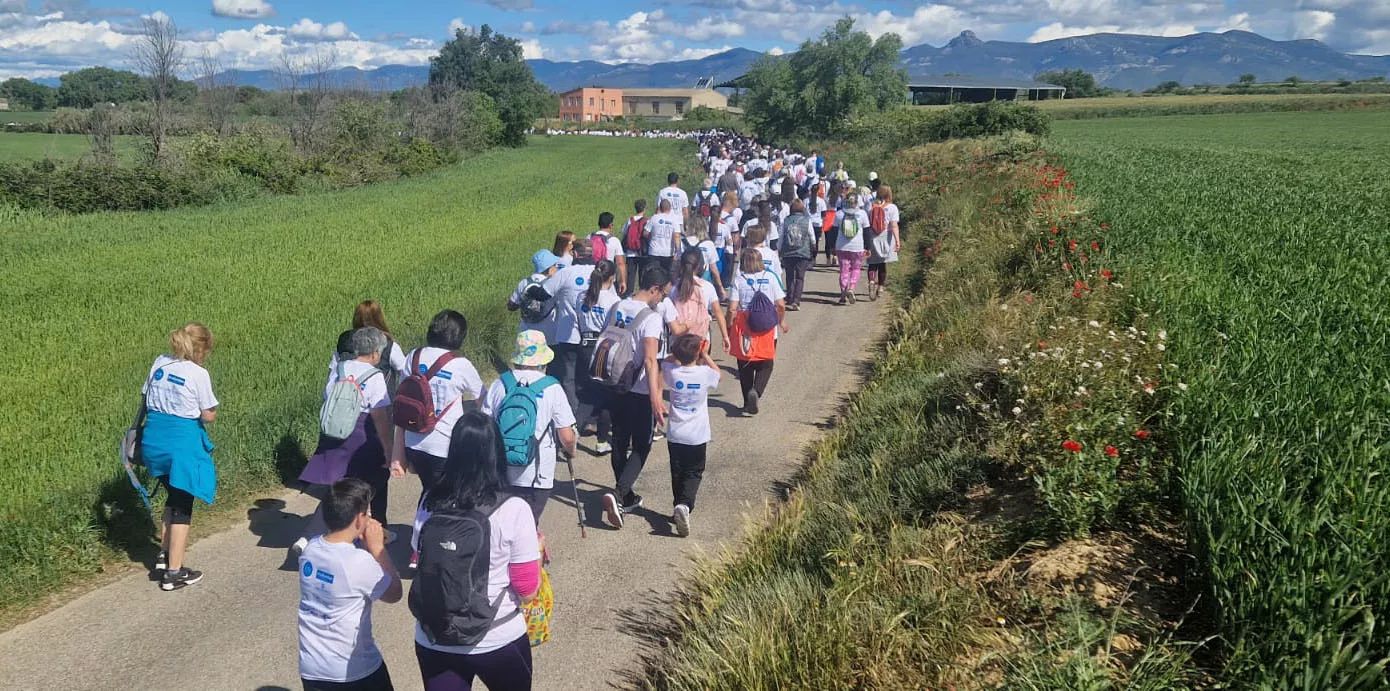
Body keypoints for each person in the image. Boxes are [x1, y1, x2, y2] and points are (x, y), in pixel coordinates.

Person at [411, 412, 541, 691]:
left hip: (434, 635)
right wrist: (537, 551)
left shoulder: (429, 500)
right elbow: (527, 588)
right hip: (496, 637)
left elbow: (418, 555)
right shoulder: (514, 508)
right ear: (497, 453)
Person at [392, 310, 486, 564]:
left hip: (414, 441)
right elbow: (482, 398)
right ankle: (423, 547)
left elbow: (403, 398)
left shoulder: (413, 357)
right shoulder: (459, 364)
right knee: (442, 496)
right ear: (459, 337)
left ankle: (428, 544)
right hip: (445, 446)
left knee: (432, 491)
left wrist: (398, 452)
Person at [601, 267, 688, 529]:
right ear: (654, 289)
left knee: (618, 441)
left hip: (613, 384)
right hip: (638, 390)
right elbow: (651, 361)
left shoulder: (617, 306)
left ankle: (625, 495)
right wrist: (655, 397)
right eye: (662, 293)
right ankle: (618, 494)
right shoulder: (650, 318)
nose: (662, 299)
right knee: (642, 445)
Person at [298, 478, 402, 691]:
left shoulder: (310, 550)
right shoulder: (358, 562)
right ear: (358, 520)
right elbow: (394, 593)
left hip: (312, 666)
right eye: (368, 513)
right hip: (353, 670)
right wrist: (377, 549)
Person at [297, 328, 395, 552]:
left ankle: (311, 536)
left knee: (339, 487)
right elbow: (380, 417)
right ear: (373, 353)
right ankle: (362, 533)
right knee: (368, 482)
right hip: (361, 436)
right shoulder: (374, 375)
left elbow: (327, 398)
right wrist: (389, 449)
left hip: (333, 433)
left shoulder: (339, 369)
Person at [138, 322, 218, 590]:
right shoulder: (198, 373)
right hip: (180, 445)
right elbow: (208, 414)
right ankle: (174, 572)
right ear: (202, 347)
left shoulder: (159, 363)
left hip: (153, 443)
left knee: (173, 495)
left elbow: (145, 398)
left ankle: (163, 554)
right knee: (183, 504)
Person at [481, 330, 577, 522]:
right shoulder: (552, 387)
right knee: (527, 529)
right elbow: (566, 436)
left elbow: (484, 426)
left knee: (501, 524)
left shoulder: (500, 383)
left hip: (501, 471)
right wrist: (571, 451)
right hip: (537, 474)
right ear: (543, 360)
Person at [660, 333, 720, 537]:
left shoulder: (672, 371)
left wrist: (677, 354)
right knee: (694, 471)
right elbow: (717, 373)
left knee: (677, 471)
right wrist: (705, 354)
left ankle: (678, 504)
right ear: (697, 353)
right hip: (697, 434)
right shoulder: (704, 373)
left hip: (676, 432)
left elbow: (665, 361)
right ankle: (684, 505)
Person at [729, 248, 787, 415]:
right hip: (767, 328)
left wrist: (728, 325)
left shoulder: (739, 279)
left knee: (744, 363)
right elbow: (781, 305)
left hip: (745, 327)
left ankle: (747, 400)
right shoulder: (770, 277)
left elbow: (732, 308)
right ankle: (757, 391)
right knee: (766, 363)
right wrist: (781, 321)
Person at [542, 238, 595, 418]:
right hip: (593, 334)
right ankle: (587, 414)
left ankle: (572, 414)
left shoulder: (565, 273)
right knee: (588, 377)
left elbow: (544, 292)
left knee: (568, 378)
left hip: (567, 334)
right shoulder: (599, 272)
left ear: (575, 253)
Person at [576, 260, 620, 454]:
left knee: (587, 393)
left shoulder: (581, 297)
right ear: (611, 278)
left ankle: (574, 429)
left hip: (583, 345)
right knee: (604, 397)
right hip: (602, 348)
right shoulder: (612, 301)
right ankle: (601, 440)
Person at [671, 246, 731, 355]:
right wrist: (725, 336)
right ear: (699, 266)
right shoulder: (707, 287)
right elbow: (718, 313)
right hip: (701, 338)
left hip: (679, 338)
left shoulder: (674, 288)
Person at [347, 301, 408, 390]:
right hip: (382, 401)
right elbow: (405, 370)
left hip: (351, 400)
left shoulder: (345, 346)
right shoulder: (390, 346)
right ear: (380, 319)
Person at [835, 191, 872, 305]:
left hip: (841, 247)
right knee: (855, 269)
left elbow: (832, 231)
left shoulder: (839, 214)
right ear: (857, 202)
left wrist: (832, 246)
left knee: (844, 270)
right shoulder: (862, 214)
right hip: (858, 247)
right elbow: (866, 232)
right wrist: (868, 247)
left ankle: (843, 293)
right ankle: (851, 288)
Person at [866, 184, 901, 302]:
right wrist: (897, 240)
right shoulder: (892, 208)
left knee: (872, 263)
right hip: (886, 236)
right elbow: (894, 225)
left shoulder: (870, 206)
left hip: (872, 236)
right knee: (882, 264)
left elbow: (866, 224)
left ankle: (871, 281)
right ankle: (880, 287)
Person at [779, 199, 814, 311]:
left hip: (788, 252)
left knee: (789, 276)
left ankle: (789, 296)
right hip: (802, 253)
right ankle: (796, 300)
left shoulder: (786, 221)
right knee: (800, 277)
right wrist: (813, 249)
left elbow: (781, 237)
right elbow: (812, 237)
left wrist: (779, 250)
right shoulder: (807, 221)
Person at [589, 212, 627, 295]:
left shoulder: (589, 237)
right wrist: (622, 281)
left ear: (599, 223)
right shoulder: (614, 240)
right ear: (610, 225)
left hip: (591, 277)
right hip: (607, 279)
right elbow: (620, 263)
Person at [621, 199, 649, 295]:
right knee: (642, 275)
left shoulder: (630, 220)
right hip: (642, 252)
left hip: (630, 252)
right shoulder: (647, 221)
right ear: (644, 209)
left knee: (630, 276)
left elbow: (624, 232)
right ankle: (641, 294)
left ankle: (629, 294)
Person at [646, 198, 681, 274]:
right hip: (668, 253)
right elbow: (676, 236)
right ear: (670, 208)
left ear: (660, 208)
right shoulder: (674, 219)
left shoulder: (654, 218)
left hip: (654, 251)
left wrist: (650, 239)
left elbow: (645, 233)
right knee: (666, 276)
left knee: (653, 275)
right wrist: (677, 251)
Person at [716, 191, 742, 290]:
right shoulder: (731, 219)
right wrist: (736, 250)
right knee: (726, 277)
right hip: (727, 250)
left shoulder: (713, 216)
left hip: (715, 248)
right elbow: (736, 237)